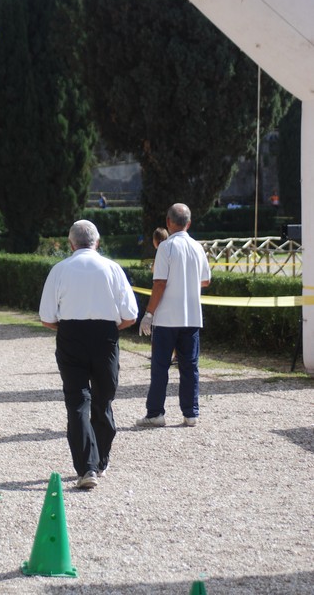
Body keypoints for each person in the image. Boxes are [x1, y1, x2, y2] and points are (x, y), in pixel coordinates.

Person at [39, 220, 138, 489]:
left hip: (71, 335)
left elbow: (46, 317)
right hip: (105, 337)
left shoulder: (59, 269)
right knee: (103, 399)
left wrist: (68, 327)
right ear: (98, 241)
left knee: (77, 402)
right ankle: (101, 460)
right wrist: (109, 327)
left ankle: (86, 467)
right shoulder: (112, 268)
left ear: (71, 243)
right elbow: (130, 315)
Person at [137, 203, 211, 428]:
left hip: (167, 317)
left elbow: (160, 283)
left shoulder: (166, 247)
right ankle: (191, 413)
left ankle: (156, 413)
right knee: (190, 366)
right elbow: (206, 280)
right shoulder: (198, 247)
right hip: (191, 317)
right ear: (189, 223)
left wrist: (149, 313)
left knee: (160, 367)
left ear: (168, 222)